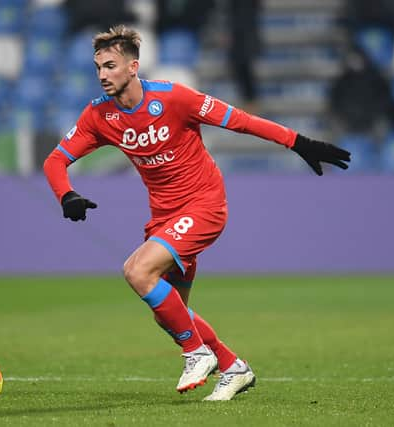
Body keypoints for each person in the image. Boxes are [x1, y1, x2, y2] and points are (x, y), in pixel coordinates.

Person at [43, 25, 351, 401]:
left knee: (137, 271)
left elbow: (240, 119)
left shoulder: (174, 98)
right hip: (164, 217)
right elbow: (56, 160)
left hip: (204, 205)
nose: (103, 75)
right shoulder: (100, 116)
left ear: (133, 67)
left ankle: (196, 353)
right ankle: (234, 367)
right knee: (168, 312)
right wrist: (67, 195)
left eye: (110, 65)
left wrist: (298, 142)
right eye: (98, 67)